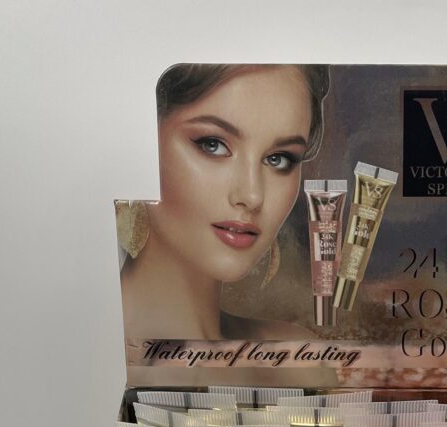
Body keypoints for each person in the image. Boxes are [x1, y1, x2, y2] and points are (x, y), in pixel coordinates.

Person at [120, 63, 330, 341]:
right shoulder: (82, 343)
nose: (252, 196)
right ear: (143, 137)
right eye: (213, 145)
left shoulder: (301, 354)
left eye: (278, 159)